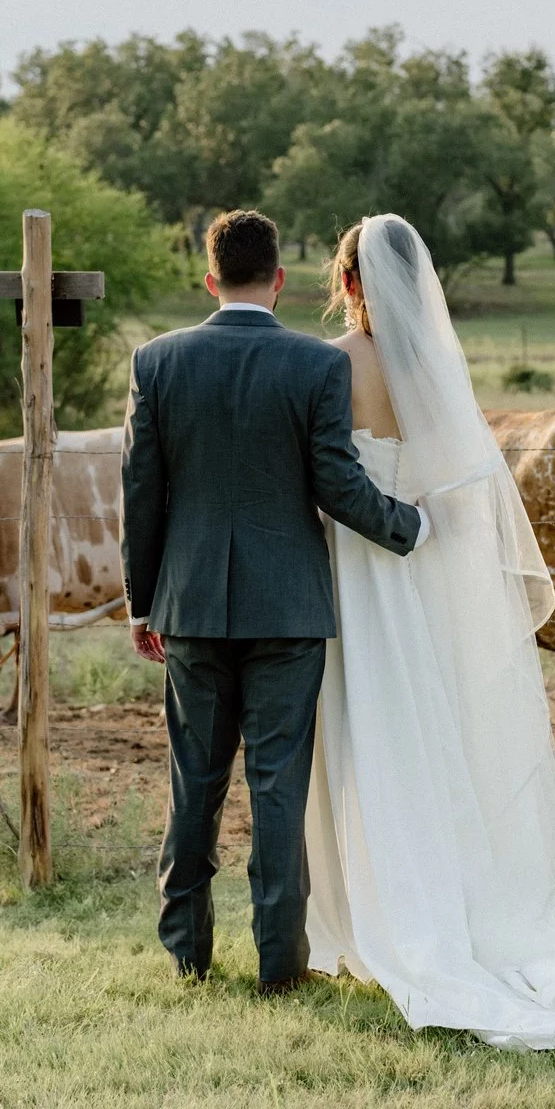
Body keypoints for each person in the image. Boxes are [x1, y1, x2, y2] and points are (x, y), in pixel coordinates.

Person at [302, 214, 555, 1049]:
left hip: (357, 573)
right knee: (432, 735)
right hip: (423, 569)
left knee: (368, 736)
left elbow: (322, 472)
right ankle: (460, 904)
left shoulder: (333, 363)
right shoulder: (438, 367)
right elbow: (469, 486)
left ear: (350, 283)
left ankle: (383, 917)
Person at [120, 209, 426, 994]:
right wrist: (409, 526)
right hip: (289, 610)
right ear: (281, 278)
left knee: (197, 781)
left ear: (209, 277)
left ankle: (187, 954)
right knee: (278, 787)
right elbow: (337, 483)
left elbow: (141, 494)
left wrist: (142, 602)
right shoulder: (313, 367)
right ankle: (279, 966)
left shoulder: (156, 362)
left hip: (187, 609)